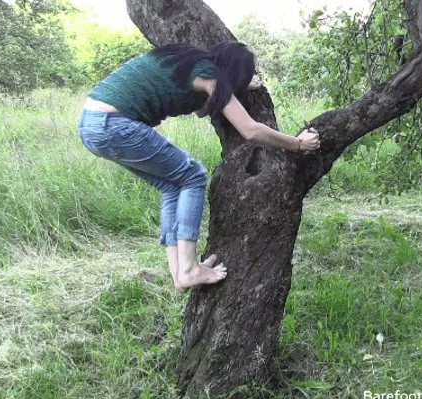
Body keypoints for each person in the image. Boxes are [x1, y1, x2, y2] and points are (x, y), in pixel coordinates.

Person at [77, 41, 320, 292]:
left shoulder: (185, 61)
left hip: (91, 124)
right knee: (192, 176)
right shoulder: (211, 77)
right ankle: (191, 269)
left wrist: (240, 84)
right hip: (114, 124)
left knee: (171, 186)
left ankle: (180, 273)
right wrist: (298, 144)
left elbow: (202, 109)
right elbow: (250, 130)